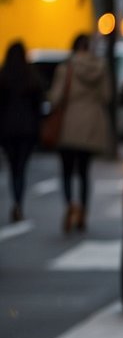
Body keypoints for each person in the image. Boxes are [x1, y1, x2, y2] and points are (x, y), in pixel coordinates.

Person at [47, 33, 112, 232]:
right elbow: (106, 96)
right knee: (84, 172)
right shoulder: (100, 68)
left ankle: (70, 205)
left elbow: (56, 97)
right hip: (91, 125)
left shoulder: (66, 68)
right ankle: (83, 211)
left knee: (67, 171)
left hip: (69, 124)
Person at [0, 40, 45, 222]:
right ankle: (19, 202)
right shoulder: (31, 77)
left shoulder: (3, 77)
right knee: (21, 168)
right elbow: (38, 107)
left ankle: (16, 201)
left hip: (7, 129)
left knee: (13, 168)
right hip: (26, 129)